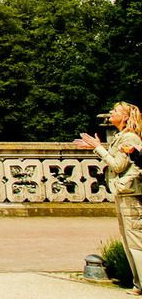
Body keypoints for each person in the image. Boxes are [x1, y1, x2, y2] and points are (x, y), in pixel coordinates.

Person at [76, 102, 142, 292]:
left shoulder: (129, 137)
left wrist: (98, 147)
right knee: (129, 239)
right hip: (124, 193)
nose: (111, 113)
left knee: (135, 240)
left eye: (115, 111)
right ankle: (137, 284)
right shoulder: (121, 136)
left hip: (131, 194)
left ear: (126, 117)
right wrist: (96, 148)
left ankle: (140, 284)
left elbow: (118, 166)